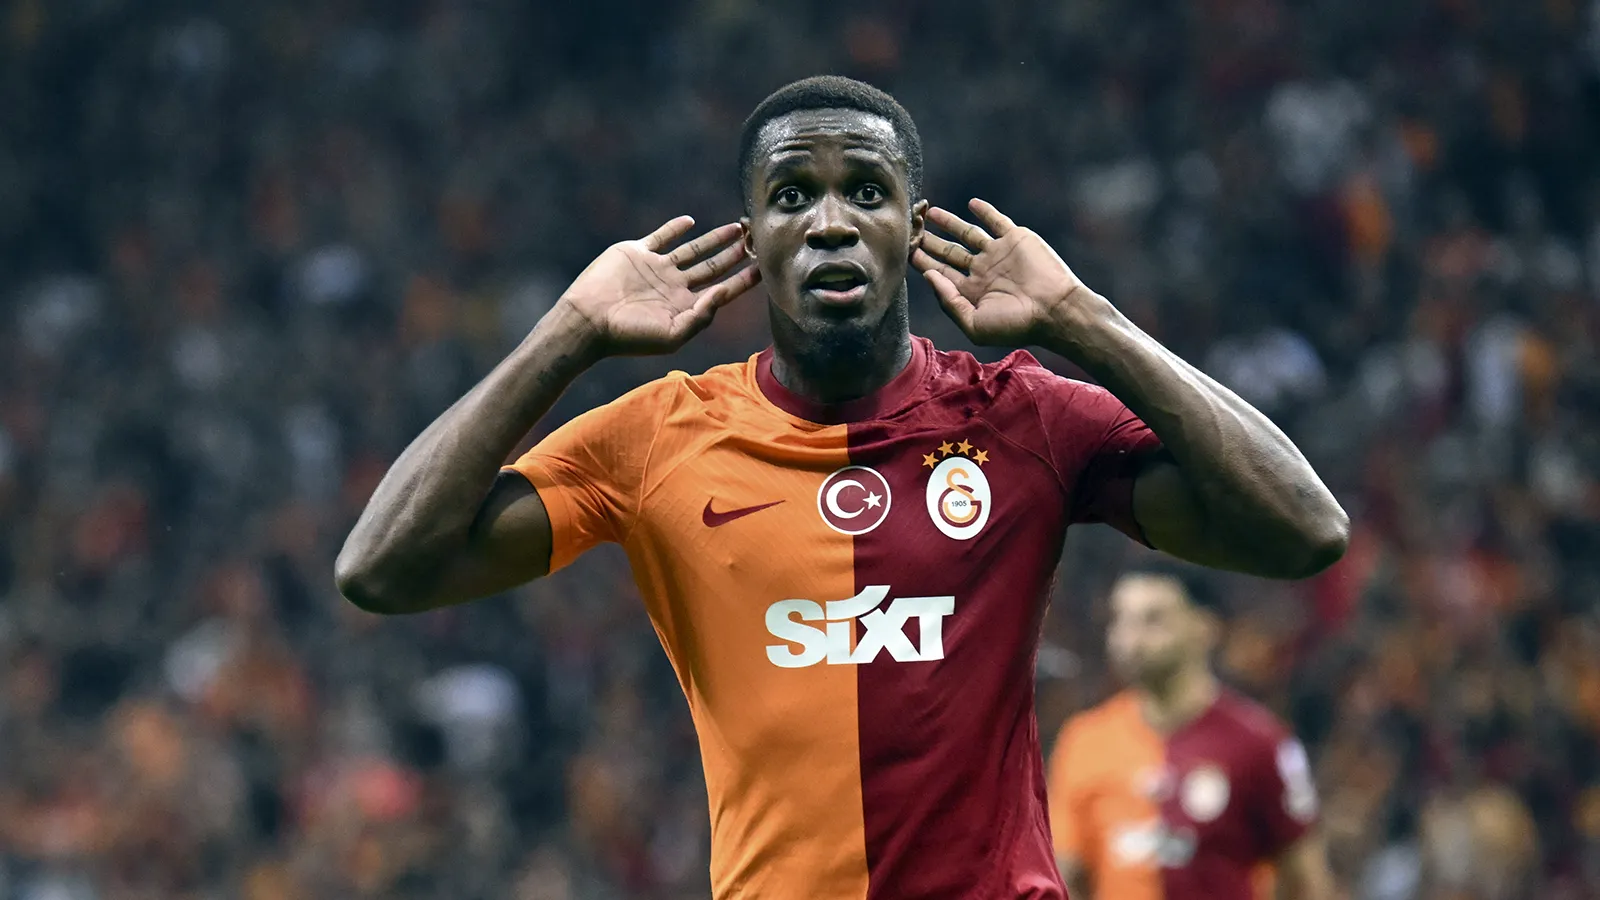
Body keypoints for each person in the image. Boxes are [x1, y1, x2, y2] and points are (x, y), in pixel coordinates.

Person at [336, 75, 1349, 899]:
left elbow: (1303, 530)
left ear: (912, 223)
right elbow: (381, 571)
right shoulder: (659, 438)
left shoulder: (1020, 415)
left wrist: (1085, 320)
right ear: (750, 237)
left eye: (866, 191)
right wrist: (566, 336)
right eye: (791, 196)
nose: (830, 223)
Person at [1047, 566, 1335, 900]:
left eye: (1153, 620)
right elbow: (1068, 874)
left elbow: (1305, 880)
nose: (1131, 639)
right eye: (1121, 621)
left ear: (1204, 628)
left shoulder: (1261, 743)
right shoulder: (1084, 741)